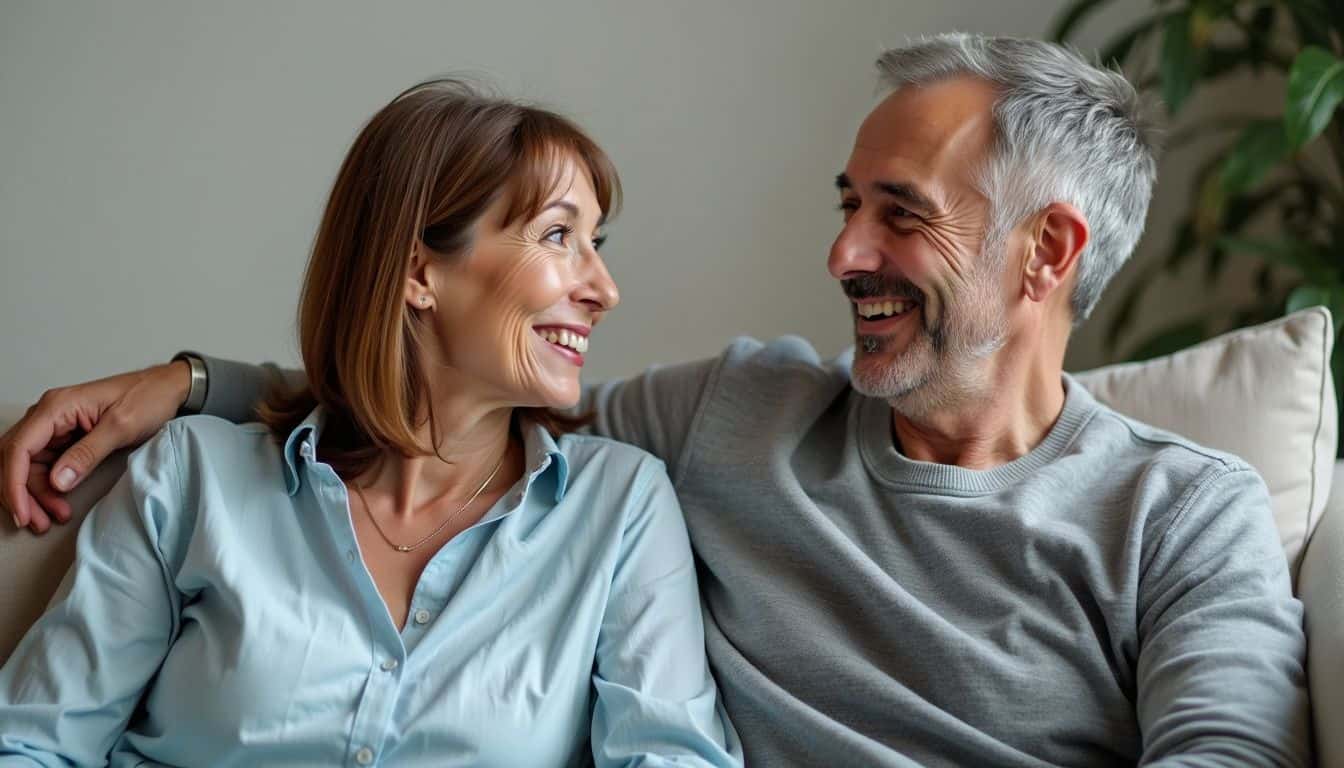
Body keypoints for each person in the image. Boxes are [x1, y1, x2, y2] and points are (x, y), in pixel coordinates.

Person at [2, 34, 1312, 766]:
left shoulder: (1183, 513)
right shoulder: (735, 415)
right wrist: (191, 387)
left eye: (897, 216)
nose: (844, 257)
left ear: (1051, 253)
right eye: (846, 208)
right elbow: (450, 402)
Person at [0, 79, 742, 766]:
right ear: (420, 273)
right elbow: (34, 745)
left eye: (596, 244)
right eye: (557, 236)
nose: (603, 289)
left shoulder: (620, 509)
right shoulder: (193, 478)